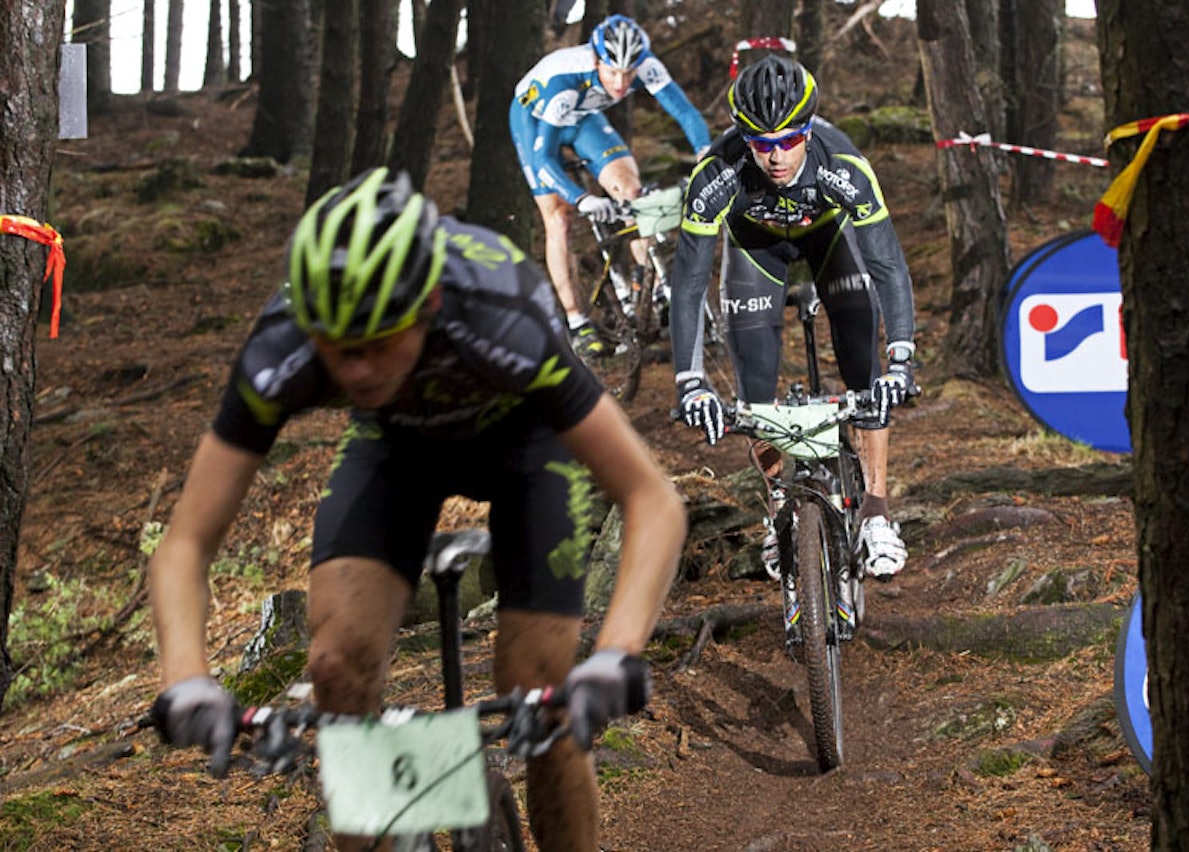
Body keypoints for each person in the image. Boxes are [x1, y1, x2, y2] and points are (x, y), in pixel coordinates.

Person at [147, 168, 687, 852]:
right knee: (338, 668)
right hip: (396, 444)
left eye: (377, 342)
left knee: (539, 689)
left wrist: (616, 655)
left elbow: (652, 499)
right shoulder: (285, 342)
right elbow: (187, 542)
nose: (357, 370)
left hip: (526, 442)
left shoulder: (501, 313)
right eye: (337, 351)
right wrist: (189, 681)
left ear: (427, 303)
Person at [668, 55, 916, 580]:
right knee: (754, 393)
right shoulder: (715, 174)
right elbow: (689, 282)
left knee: (863, 364)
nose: (776, 156)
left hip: (828, 239)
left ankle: (875, 509)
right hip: (755, 249)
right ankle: (781, 507)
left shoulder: (842, 166)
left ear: (807, 130)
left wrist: (902, 359)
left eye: (788, 140)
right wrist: (689, 382)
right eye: (760, 142)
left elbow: (888, 266)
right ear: (744, 137)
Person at [510, 13, 711, 356]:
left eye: (628, 73)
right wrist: (582, 198)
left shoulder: (645, 65)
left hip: (584, 117)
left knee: (632, 193)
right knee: (558, 219)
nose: (620, 83)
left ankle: (652, 289)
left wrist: (707, 157)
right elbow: (543, 162)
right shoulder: (564, 80)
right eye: (613, 72)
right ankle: (577, 324)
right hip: (535, 121)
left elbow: (686, 113)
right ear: (596, 60)